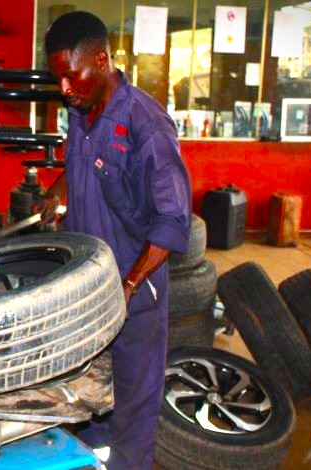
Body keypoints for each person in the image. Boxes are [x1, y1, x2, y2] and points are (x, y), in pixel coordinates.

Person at [40, 11, 191, 469]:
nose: (64, 88)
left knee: (134, 399)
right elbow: (88, 160)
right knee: (90, 389)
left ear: (102, 59)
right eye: (57, 78)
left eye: (72, 75)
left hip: (133, 288)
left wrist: (126, 289)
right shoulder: (80, 110)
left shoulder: (147, 124)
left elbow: (172, 218)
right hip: (89, 283)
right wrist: (58, 189)